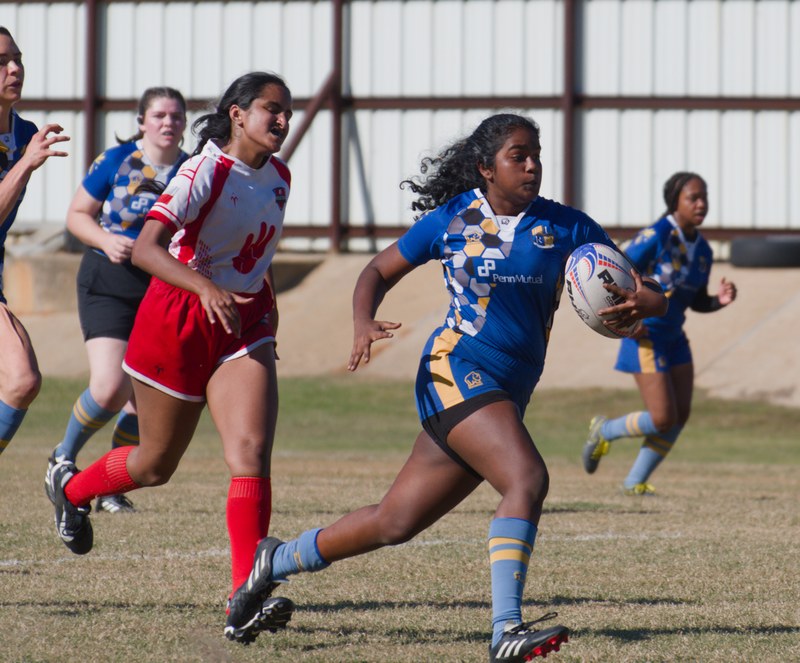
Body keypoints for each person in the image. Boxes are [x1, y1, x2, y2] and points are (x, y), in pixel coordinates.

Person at [225, 114, 668, 661]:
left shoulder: (569, 228)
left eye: (536, 154)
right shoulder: (451, 220)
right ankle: (506, 630)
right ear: (486, 168)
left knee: (394, 522)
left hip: (505, 390)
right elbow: (377, 271)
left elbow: (641, 289)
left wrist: (645, 301)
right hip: (455, 369)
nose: (532, 165)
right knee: (526, 478)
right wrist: (363, 320)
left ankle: (276, 561)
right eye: (518, 156)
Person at [47, 71, 295, 643]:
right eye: (271, 110)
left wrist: (268, 311)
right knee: (155, 465)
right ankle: (74, 489)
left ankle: (243, 597)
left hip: (242, 323)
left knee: (251, 453)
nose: (282, 121)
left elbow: (257, 257)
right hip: (178, 319)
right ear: (237, 114)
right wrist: (204, 287)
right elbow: (148, 249)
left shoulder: (280, 175)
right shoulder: (201, 171)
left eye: (287, 111)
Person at [44, 87, 189, 514]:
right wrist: (106, 240)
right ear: (142, 121)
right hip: (107, 279)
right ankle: (62, 457)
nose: (168, 123)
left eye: (176, 116)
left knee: (146, 397)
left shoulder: (190, 170)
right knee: (110, 386)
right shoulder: (116, 160)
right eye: (159, 115)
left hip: (161, 289)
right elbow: (76, 216)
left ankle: (109, 483)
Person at [581, 172, 737, 495]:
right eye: (693, 197)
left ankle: (633, 482)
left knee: (680, 415)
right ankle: (604, 430)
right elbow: (615, 273)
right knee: (663, 417)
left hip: (675, 337)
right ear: (674, 201)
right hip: (646, 334)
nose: (701, 203)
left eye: (704, 196)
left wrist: (717, 301)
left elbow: (694, 301)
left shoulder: (704, 250)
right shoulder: (658, 235)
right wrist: (626, 323)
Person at [0, 26, 69, 458]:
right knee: (22, 377)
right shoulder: (27, 148)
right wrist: (25, 164)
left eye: (17, 58)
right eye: (2, 61)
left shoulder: (25, 133)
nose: (14, 68)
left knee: (22, 380)